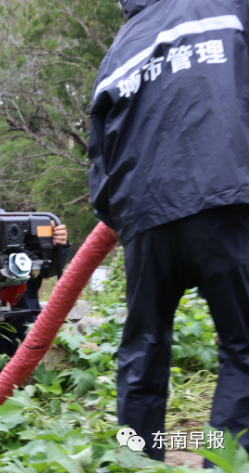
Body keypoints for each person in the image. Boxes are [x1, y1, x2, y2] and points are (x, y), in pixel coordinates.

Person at [87, 0, 249, 460]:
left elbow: (99, 155)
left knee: (142, 348)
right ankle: (224, 461)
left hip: (142, 218)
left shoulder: (120, 47)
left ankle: (136, 461)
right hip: (226, 195)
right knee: (244, 346)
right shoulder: (229, 8)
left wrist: (124, 217)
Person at [0, 205, 69, 400]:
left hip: (22, 335)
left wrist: (60, 244)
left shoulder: (23, 252)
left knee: (25, 398)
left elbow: (49, 267)